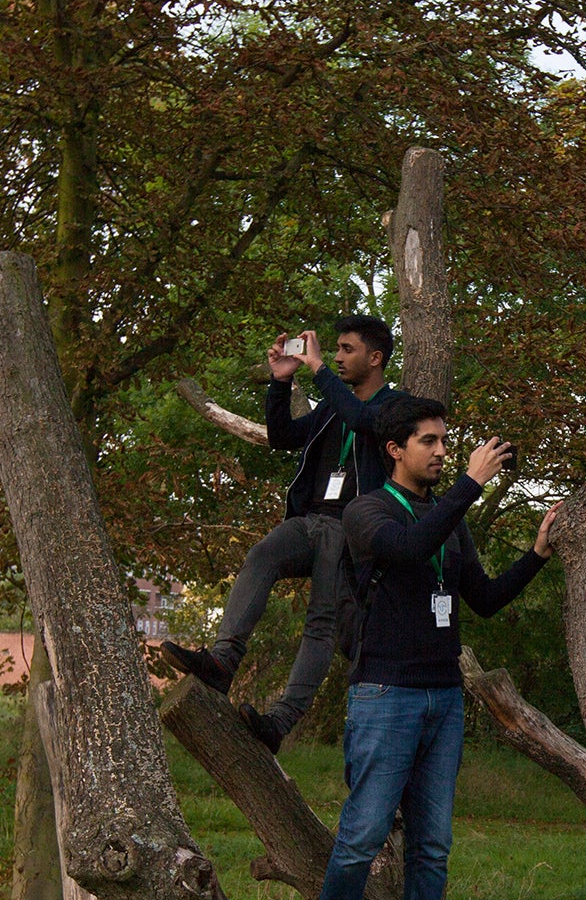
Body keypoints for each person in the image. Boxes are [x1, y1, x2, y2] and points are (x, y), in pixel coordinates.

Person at [295, 396, 560, 900]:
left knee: (432, 845)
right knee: (362, 834)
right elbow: (410, 549)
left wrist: (537, 556)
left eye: (447, 441)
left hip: (444, 698)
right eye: (430, 442)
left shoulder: (451, 521)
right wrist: (471, 482)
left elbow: (486, 599)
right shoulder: (365, 512)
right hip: (386, 693)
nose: (443, 451)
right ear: (395, 450)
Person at [161, 315, 405, 751]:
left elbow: (365, 422)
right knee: (262, 555)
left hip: (350, 530)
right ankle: (223, 660)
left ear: (376, 358)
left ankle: (280, 722)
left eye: (346, 350)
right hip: (308, 521)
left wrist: (318, 372)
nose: (334, 356)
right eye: (334, 349)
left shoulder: (395, 408)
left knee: (321, 623)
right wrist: (279, 383)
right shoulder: (334, 404)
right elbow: (283, 436)